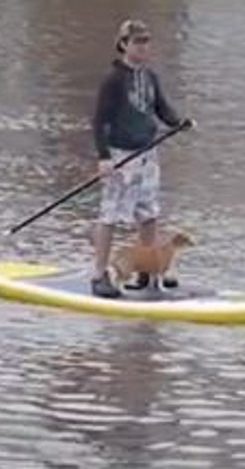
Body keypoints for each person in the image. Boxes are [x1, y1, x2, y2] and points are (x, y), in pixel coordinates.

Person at [90, 19, 194, 298]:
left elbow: (161, 109)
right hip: (121, 155)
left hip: (148, 154)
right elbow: (99, 121)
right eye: (138, 41)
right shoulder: (113, 80)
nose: (144, 46)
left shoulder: (150, 77)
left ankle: (145, 273)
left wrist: (179, 122)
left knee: (148, 213)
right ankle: (99, 275)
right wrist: (103, 157)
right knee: (110, 214)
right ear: (124, 44)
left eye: (147, 41)